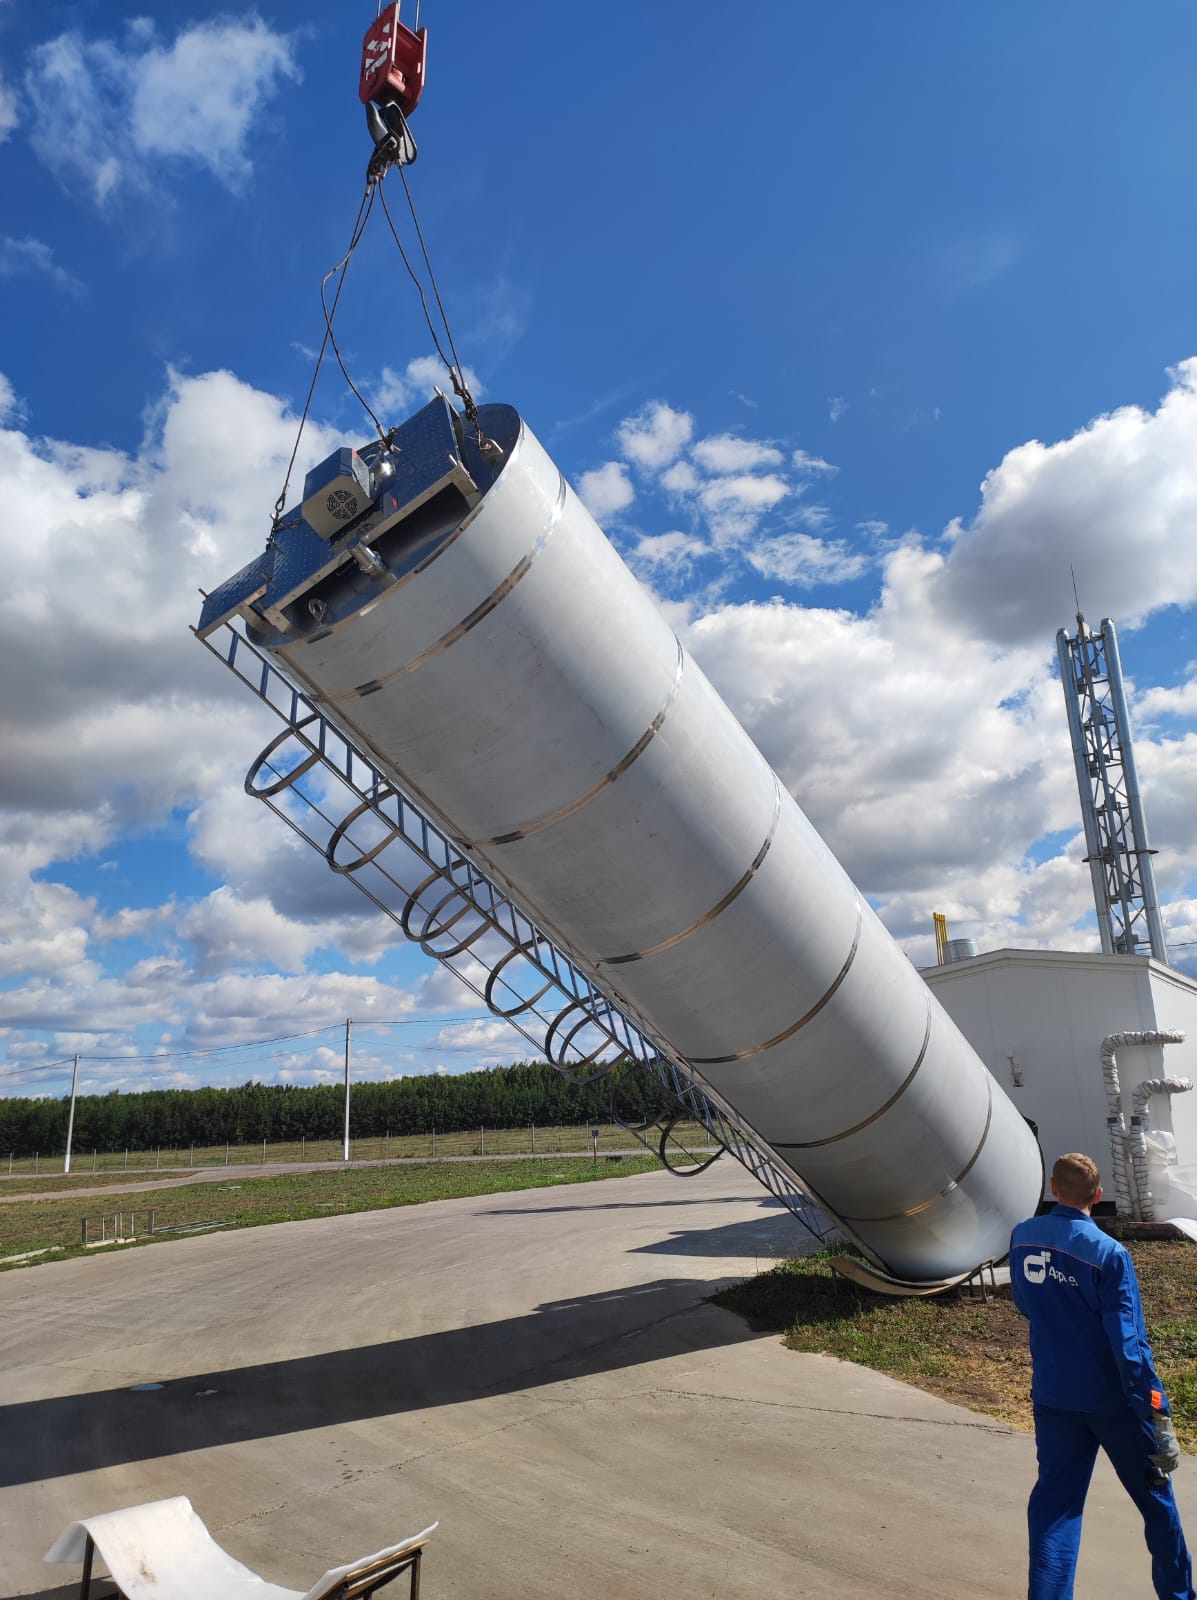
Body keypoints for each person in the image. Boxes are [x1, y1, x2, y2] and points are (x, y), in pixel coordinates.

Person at [1010, 1151, 1194, 1600]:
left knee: (1055, 1508)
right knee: (1156, 1502)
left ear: (1053, 1189)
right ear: (1098, 1196)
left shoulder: (1022, 1237)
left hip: (1054, 1396)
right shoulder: (1109, 1254)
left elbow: (1024, 1303)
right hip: (1115, 1405)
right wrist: (1158, 1414)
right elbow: (1130, 1349)